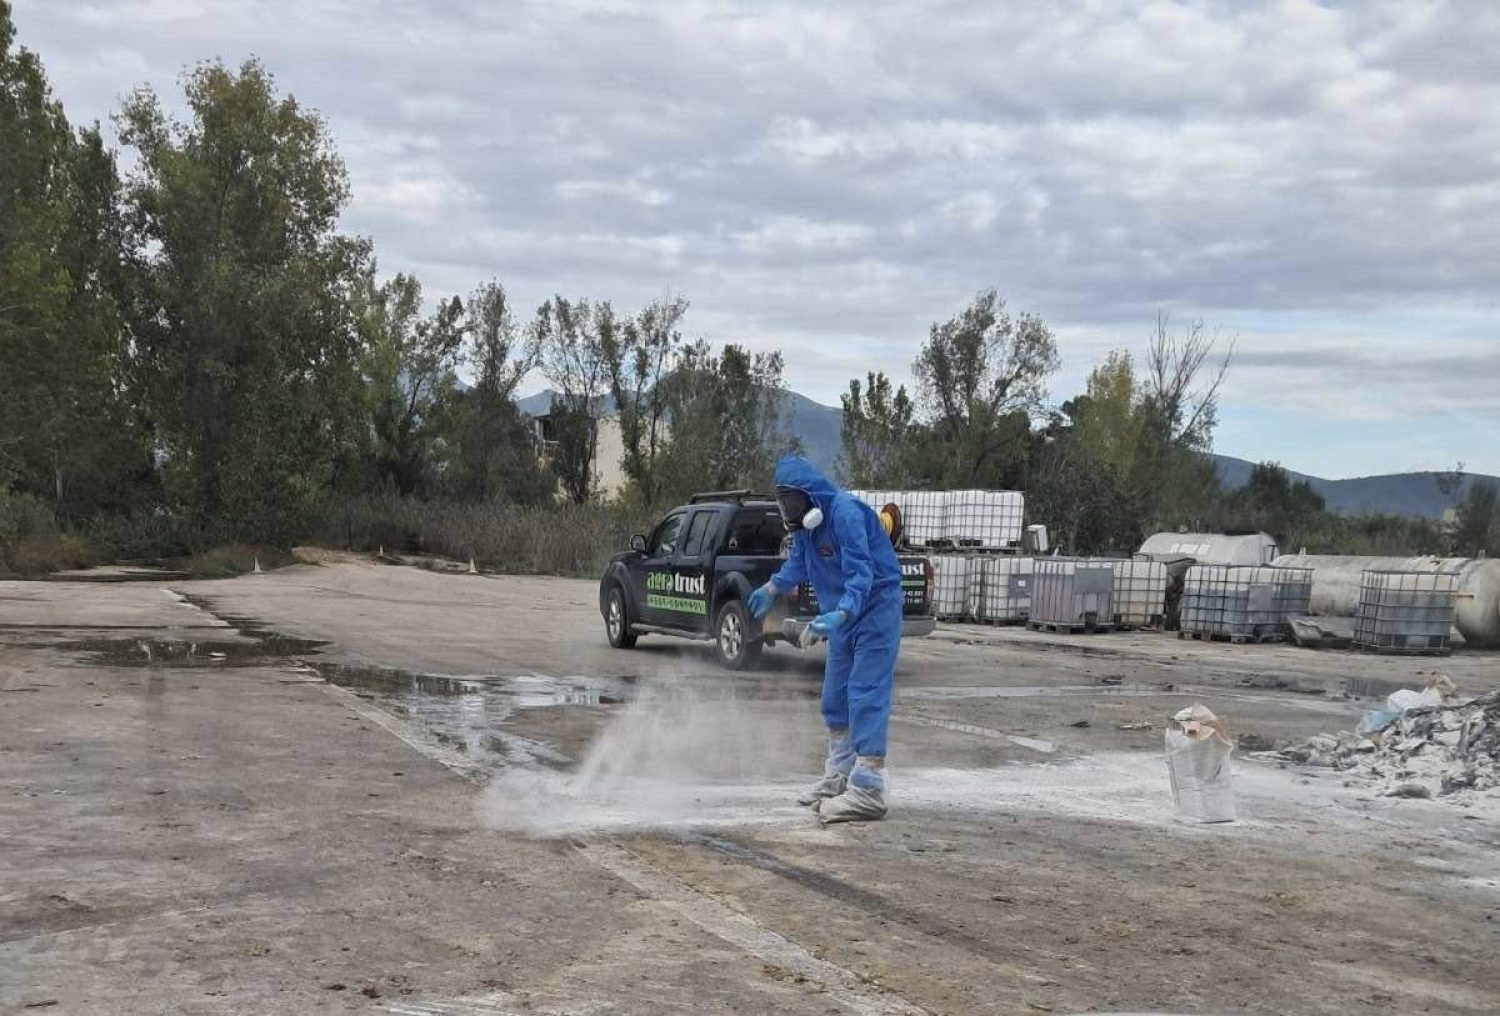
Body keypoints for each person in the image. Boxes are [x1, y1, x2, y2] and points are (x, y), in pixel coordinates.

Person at [748, 455, 903, 823]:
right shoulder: (806, 527)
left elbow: (861, 572)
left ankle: (869, 787)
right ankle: (840, 775)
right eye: (783, 502)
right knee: (835, 695)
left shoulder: (845, 513)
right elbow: (800, 563)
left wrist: (843, 611)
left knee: (865, 690)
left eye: (792, 501)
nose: (789, 510)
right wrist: (773, 587)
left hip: (875, 609)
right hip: (842, 617)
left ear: (811, 494)